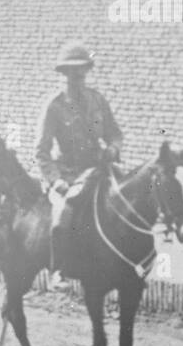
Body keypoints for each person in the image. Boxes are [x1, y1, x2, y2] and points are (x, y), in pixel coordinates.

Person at [35, 41, 123, 285]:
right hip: (70, 174)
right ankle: (58, 270)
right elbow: (41, 152)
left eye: (81, 71)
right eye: (71, 72)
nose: (77, 77)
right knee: (63, 215)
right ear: (62, 73)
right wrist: (56, 180)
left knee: (128, 199)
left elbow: (114, 133)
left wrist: (114, 148)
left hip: (99, 169)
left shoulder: (97, 100)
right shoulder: (53, 107)